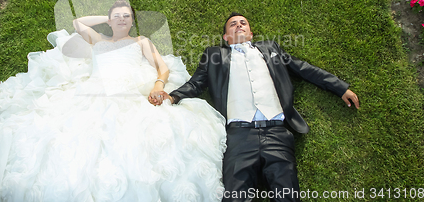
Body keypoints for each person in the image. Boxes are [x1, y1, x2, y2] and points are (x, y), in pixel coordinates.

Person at [0, 0, 226, 202]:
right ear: (109, 21)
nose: (122, 20)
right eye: (117, 17)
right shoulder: (98, 39)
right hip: (94, 93)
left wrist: (157, 85)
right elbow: (78, 24)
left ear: (133, 22)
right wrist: (109, 17)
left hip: (132, 93)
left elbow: (162, 67)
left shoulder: (141, 40)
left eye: (127, 17)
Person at [150, 12, 360, 202]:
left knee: (288, 196)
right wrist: (173, 96)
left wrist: (340, 88)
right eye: (233, 24)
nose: (239, 25)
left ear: (251, 34)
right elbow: (196, 84)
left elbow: (303, 69)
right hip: (238, 136)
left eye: (243, 23)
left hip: (277, 132)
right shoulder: (214, 55)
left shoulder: (270, 48)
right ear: (226, 37)